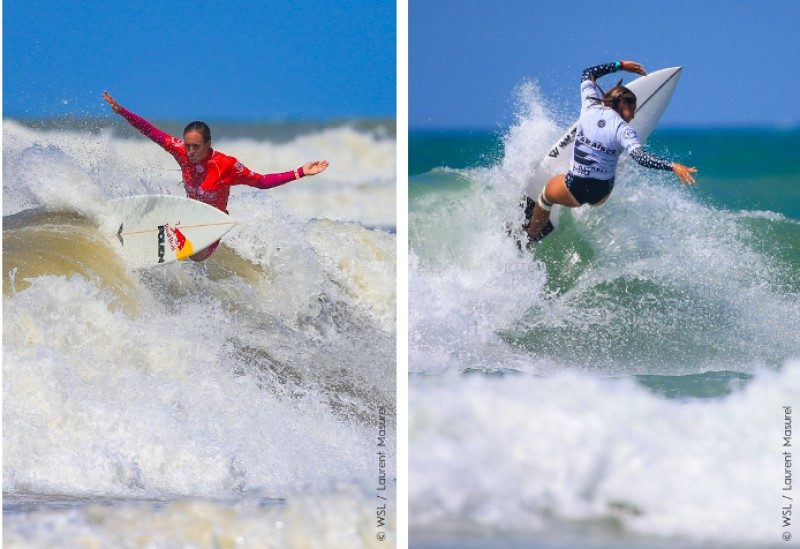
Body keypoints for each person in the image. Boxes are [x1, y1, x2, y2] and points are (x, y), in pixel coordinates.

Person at [102, 92, 329, 261]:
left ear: (208, 144)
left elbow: (260, 182)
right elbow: (151, 131)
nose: (190, 152)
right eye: (188, 146)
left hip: (209, 228)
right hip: (186, 216)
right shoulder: (180, 151)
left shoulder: (226, 165)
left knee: (193, 256)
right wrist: (122, 111)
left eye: (196, 147)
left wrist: (300, 172)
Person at [523, 61, 697, 246]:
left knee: (546, 196)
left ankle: (530, 237)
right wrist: (671, 165)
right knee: (615, 155)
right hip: (601, 194)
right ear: (622, 103)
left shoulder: (589, 105)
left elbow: (587, 73)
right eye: (632, 109)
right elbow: (641, 158)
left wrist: (620, 65)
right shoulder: (624, 130)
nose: (633, 116)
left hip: (575, 189)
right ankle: (606, 159)